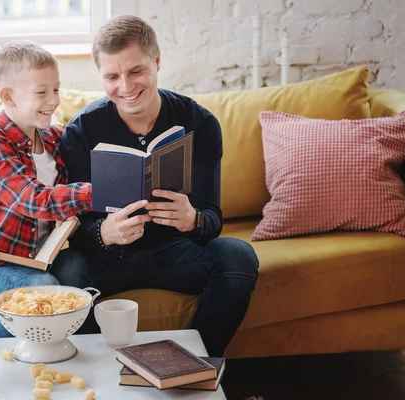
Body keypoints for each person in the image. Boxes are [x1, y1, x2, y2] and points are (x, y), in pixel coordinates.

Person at [61, 15, 259, 356]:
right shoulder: (81, 132)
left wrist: (193, 219)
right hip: (109, 258)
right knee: (66, 269)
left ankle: (195, 365)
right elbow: (74, 230)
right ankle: (106, 372)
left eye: (136, 71)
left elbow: (213, 218)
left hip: (175, 252)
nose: (125, 87)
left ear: (157, 61)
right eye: (111, 76)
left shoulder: (200, 123)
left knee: (238, 255)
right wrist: (103, 234)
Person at [0, 41, 93, 338]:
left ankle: (76, 354)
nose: (53, 100)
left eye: (56, 89)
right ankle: (1, 363)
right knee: (42, 290)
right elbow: (32, 199)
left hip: (37, 258)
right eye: (41, 92)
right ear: (8, 96)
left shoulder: (54, 137)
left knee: (82, 268)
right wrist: (94, 192)